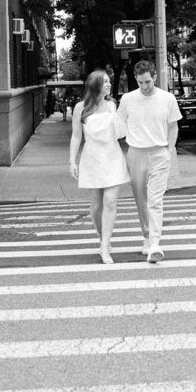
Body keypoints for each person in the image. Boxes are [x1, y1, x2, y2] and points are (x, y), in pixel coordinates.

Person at [117, 59, 182, 264]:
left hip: (159, 153)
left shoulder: (167, 98)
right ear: (136, 80)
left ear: (154, 77)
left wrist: (169, 150)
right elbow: (119, 125)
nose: (144, 86)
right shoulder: (127, 99)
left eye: (148, 82)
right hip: (135, 153)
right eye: (140, 82)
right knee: (141, 199)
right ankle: (146, 236)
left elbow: (173, 126)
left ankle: (154, 243)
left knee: (155, 199)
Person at [68, 69, 129, 264]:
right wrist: (71, 160)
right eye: (105, 82)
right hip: (92, 158)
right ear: (95, 85)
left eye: (109, 81)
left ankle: (105, 246)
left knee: (110, 201)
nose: (109, 85)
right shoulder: (80, 107)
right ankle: (102, 237)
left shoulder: (112, 104)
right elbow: (76, 136)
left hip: (112, 156)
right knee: (96, 206)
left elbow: (121, 131)